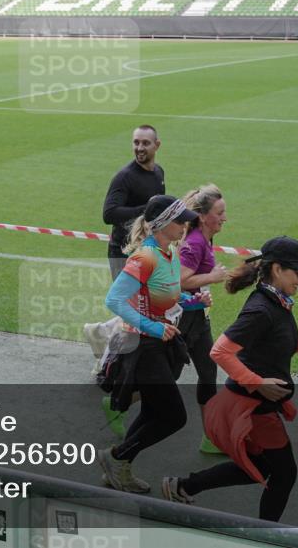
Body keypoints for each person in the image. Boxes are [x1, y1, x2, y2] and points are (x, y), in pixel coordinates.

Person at [160, 236, 298, 523]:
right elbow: (220, 351)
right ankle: (264, 535)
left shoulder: (275, 301)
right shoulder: (261, 308)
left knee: (260, 467)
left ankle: (182, 486)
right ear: (277, 269)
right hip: (255, 408)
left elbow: (267, 340)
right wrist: (257, 382)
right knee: (285, 474)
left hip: (256, 403)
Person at [97, 195, 209, 493]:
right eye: (181, 219)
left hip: (158, 344)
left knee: (152, 412)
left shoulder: (168, 253)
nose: (186, 224)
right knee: (173, 416)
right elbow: (114, 299)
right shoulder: (145, 257)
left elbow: (166, 295)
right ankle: (116, 457)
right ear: (161, 224)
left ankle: (119, 466)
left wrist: (193, 301)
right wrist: (152, 327)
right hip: (143, 347)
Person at [85, 125, 166, 372]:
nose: (139, 148)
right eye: (136, 142)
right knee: (130, 309)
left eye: (145, 143)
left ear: (157, 145)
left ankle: (99, 332)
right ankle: (106, 365)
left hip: (145, 252)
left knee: (139, 307)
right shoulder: (125, 177)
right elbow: (109, 214)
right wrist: (147, 208)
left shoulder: (158, 173)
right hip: (122, 252)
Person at [179, 184, 229, 454]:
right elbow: (180, 281)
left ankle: (210, 437)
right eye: (219, 213)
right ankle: (118, 403)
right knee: (167, 377)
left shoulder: (206, 238)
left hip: (199, 316)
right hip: (185, 319)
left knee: (208, 372)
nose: (224, 218)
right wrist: (211, 278)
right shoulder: (195, 243)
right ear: (203, 216)